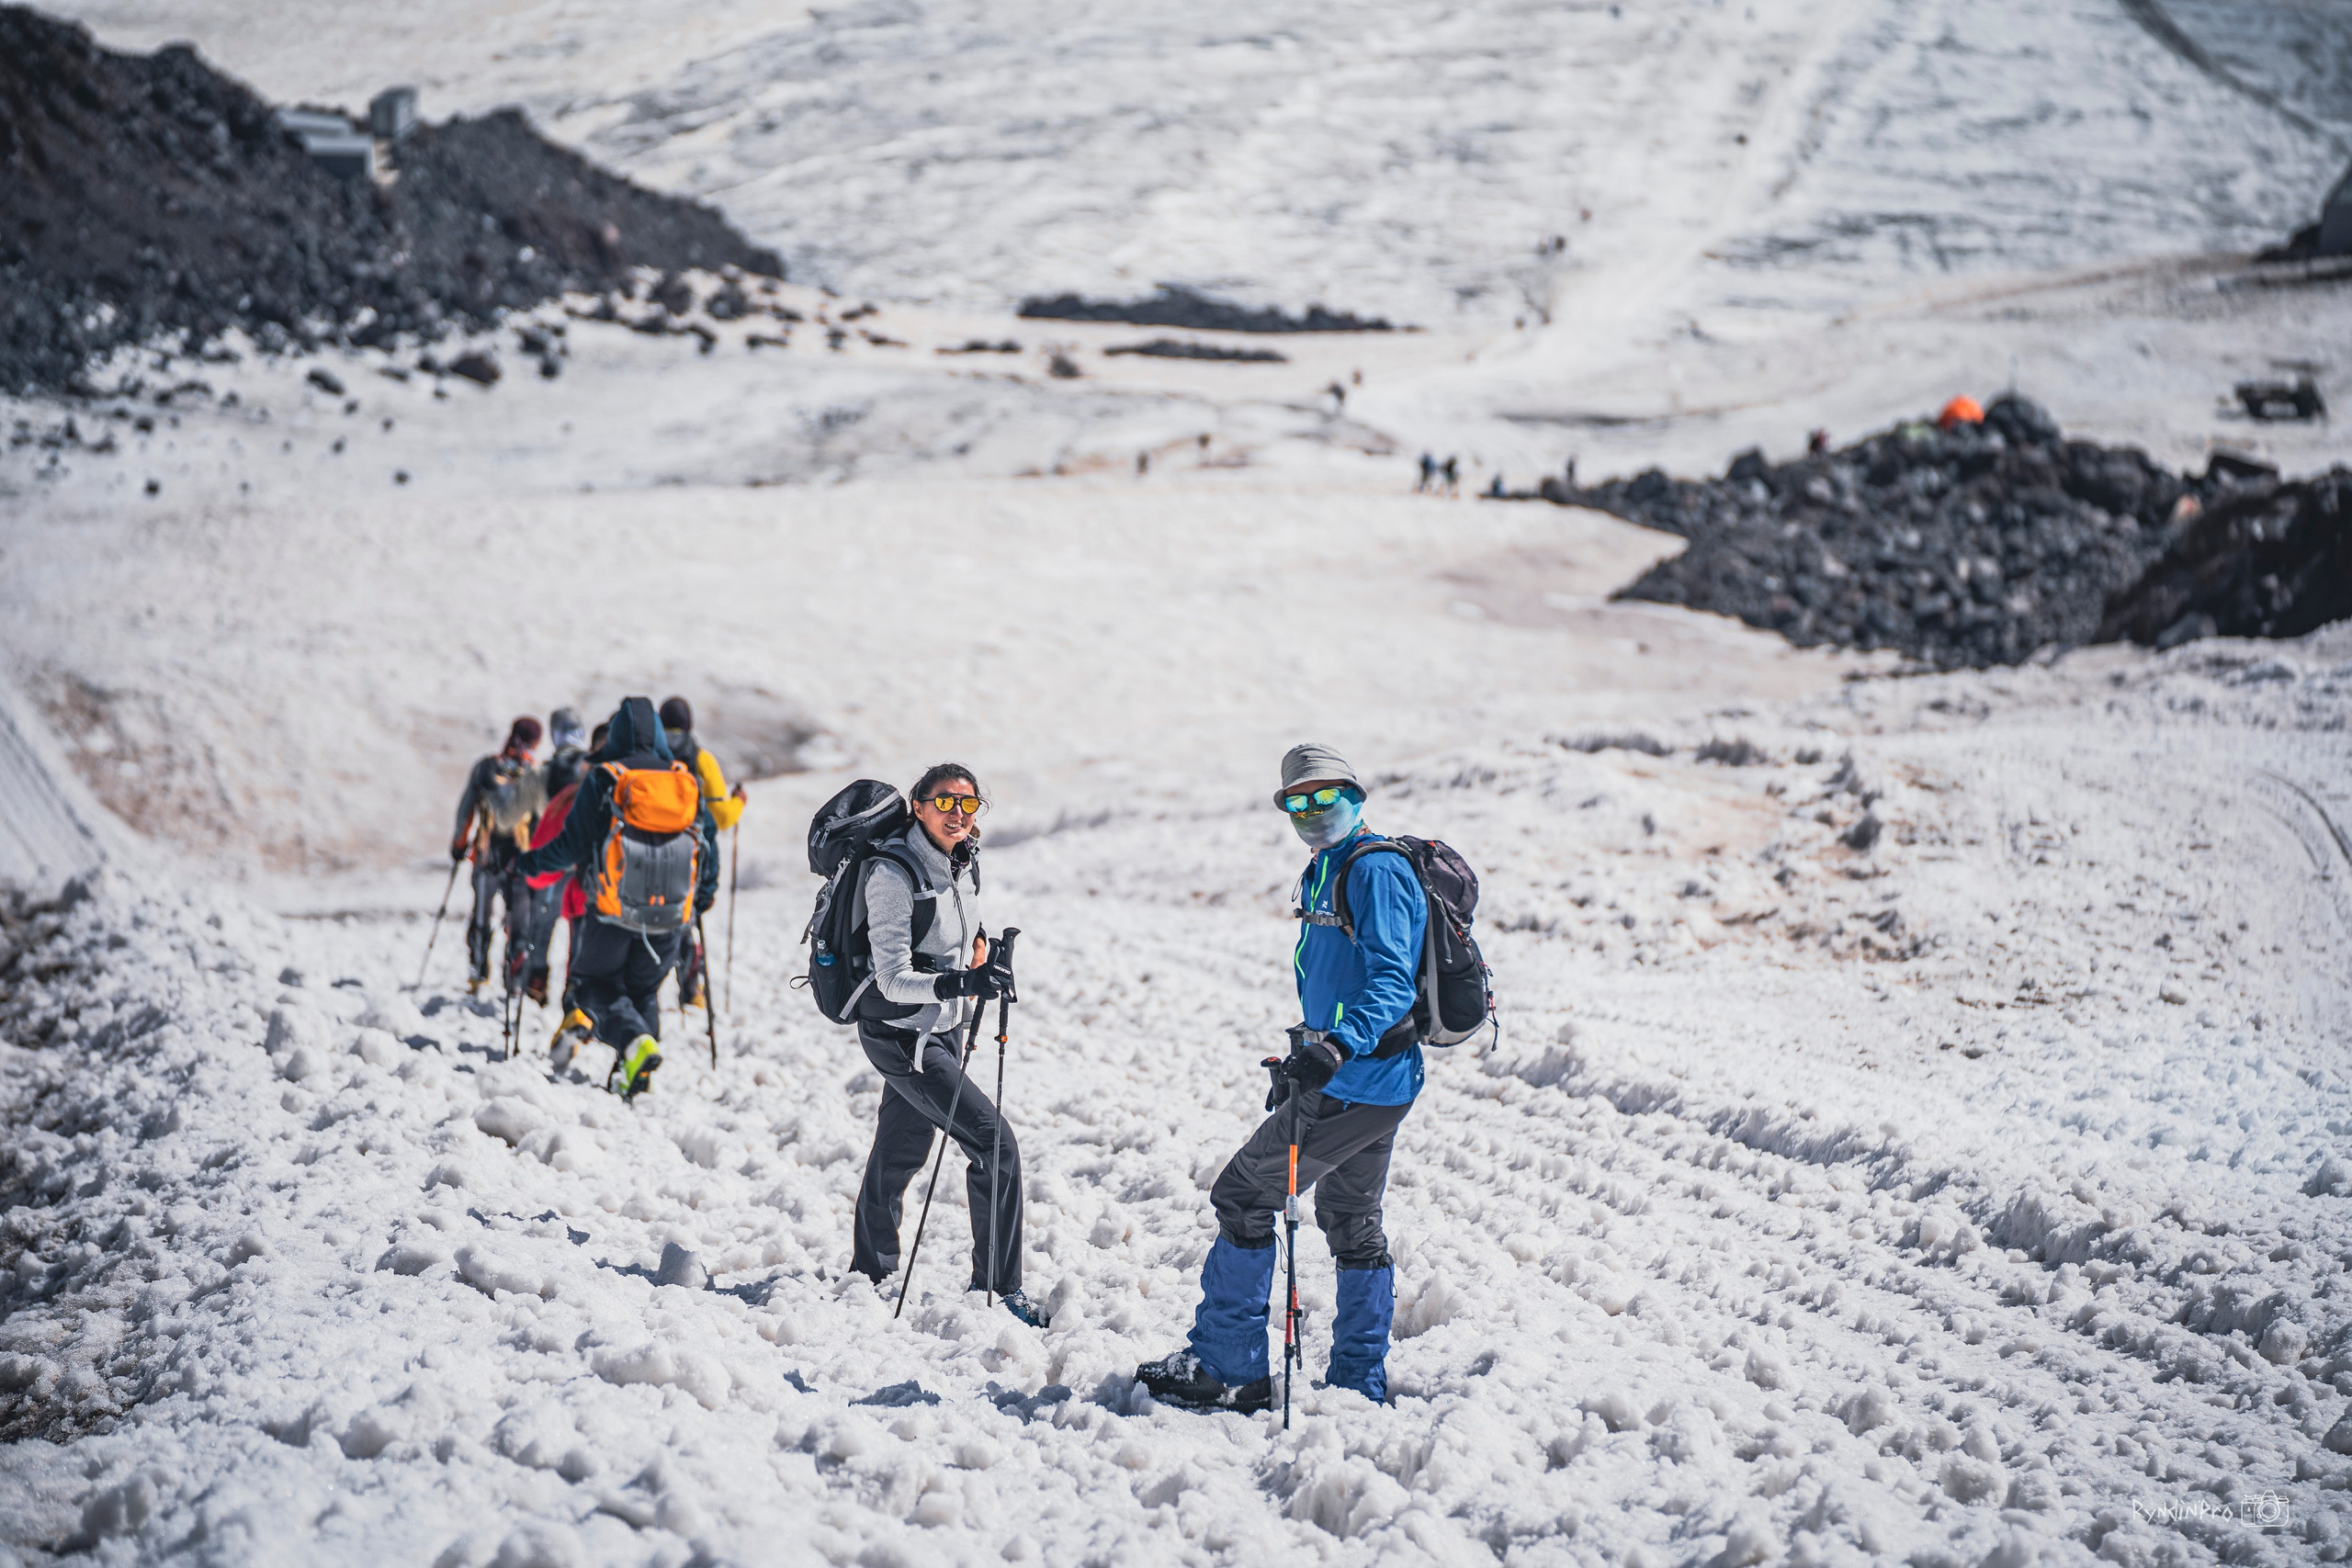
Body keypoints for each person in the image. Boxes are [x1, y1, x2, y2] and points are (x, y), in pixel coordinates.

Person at [1137, 743, 1427, 1411]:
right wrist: (1306, 1051)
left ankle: (1228, 1366)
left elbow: (1391, 982)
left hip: (1360, 1077)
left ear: (1356, 796)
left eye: (1325, 797)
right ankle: (1359, 1380)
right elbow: (1335, 981)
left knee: (1243, 1194)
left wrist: (1336, 1049)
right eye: (1297, 801)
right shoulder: (1326, 867)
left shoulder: (1374, 869)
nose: (1311, 810)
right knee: (1352, 1218)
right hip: (1367, 1076)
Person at [848, 763, 1046, 1328]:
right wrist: (960, 983)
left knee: (902, 1145)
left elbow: (957, 931)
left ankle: (869, 1269)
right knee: (996, 1144)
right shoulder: (892, 873)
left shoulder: (964, 860)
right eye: (945, 803)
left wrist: (981, 952)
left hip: (943, 1027)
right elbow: (890, 977)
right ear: (918, 804)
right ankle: (1000, 1290)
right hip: (902, 1033)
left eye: (969, 805)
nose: (958, 815)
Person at [514, 698, 718, 1099]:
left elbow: (571, 845)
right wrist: (702, 897)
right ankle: (637, 1077)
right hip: (671, 916)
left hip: (611, 914)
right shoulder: (684, 779)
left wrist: (531, 864)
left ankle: (633, 1045)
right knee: (642, 992)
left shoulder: (606, 777)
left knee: (592, 987)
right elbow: (708, 843)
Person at [657, 696, 746, 1010]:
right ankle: (691, 988)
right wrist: (739, 802)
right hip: (691, 858)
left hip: (649, 853)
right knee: (686, 919)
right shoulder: (701, 759)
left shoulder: (650, 755)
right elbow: (722, 818)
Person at [449, 716, 546, 996]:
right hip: (522, 858)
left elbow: (466, 807)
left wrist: (459, 843)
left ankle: (478, 971)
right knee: (519, 921)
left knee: (482, 915)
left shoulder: (486, 767)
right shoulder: (535, 773)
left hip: (486, 855)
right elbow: (543, 819)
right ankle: (514, 979)